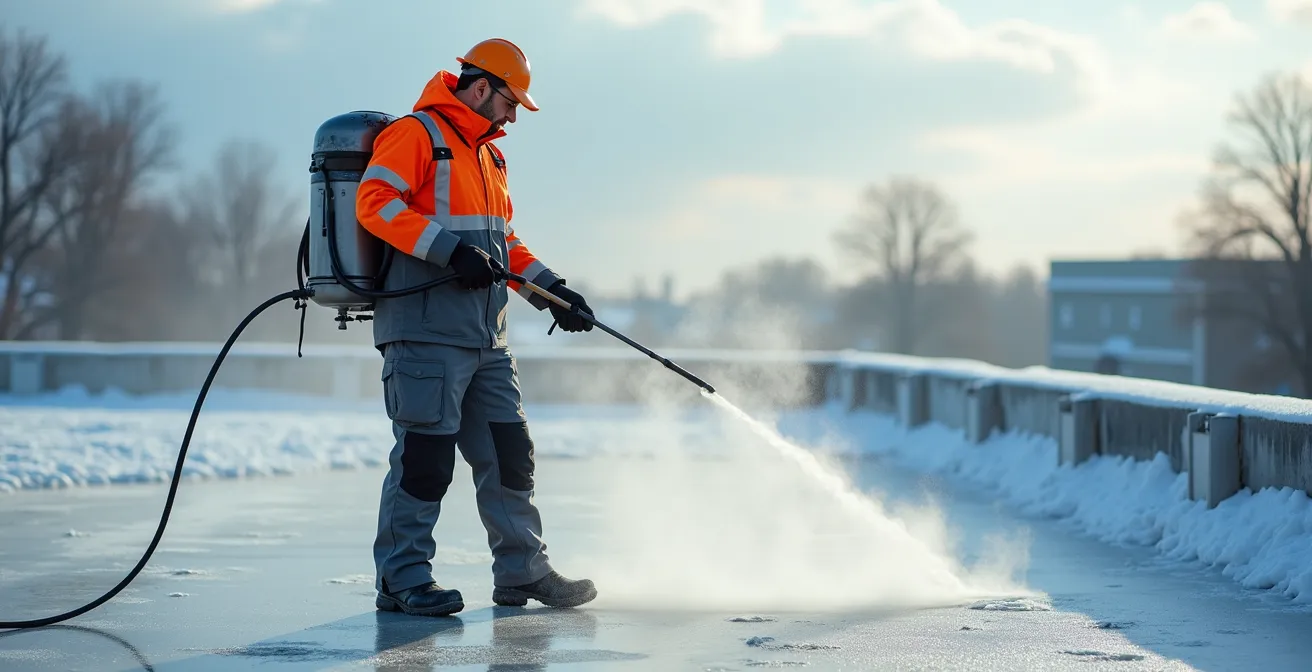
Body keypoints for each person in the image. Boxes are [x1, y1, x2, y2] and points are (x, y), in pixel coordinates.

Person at [354, 38, 597, 617]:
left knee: (510, 452)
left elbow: (502, 243)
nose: (513, 117)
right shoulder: (416, 135)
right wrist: (449, 251)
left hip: (488, 337)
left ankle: (522, 570)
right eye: (510, 103)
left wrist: (552, 291)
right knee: (425, 460)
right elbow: (375, 201)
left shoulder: (489, 157)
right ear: (481, 87)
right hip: (425, 334)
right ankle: (402, 579)